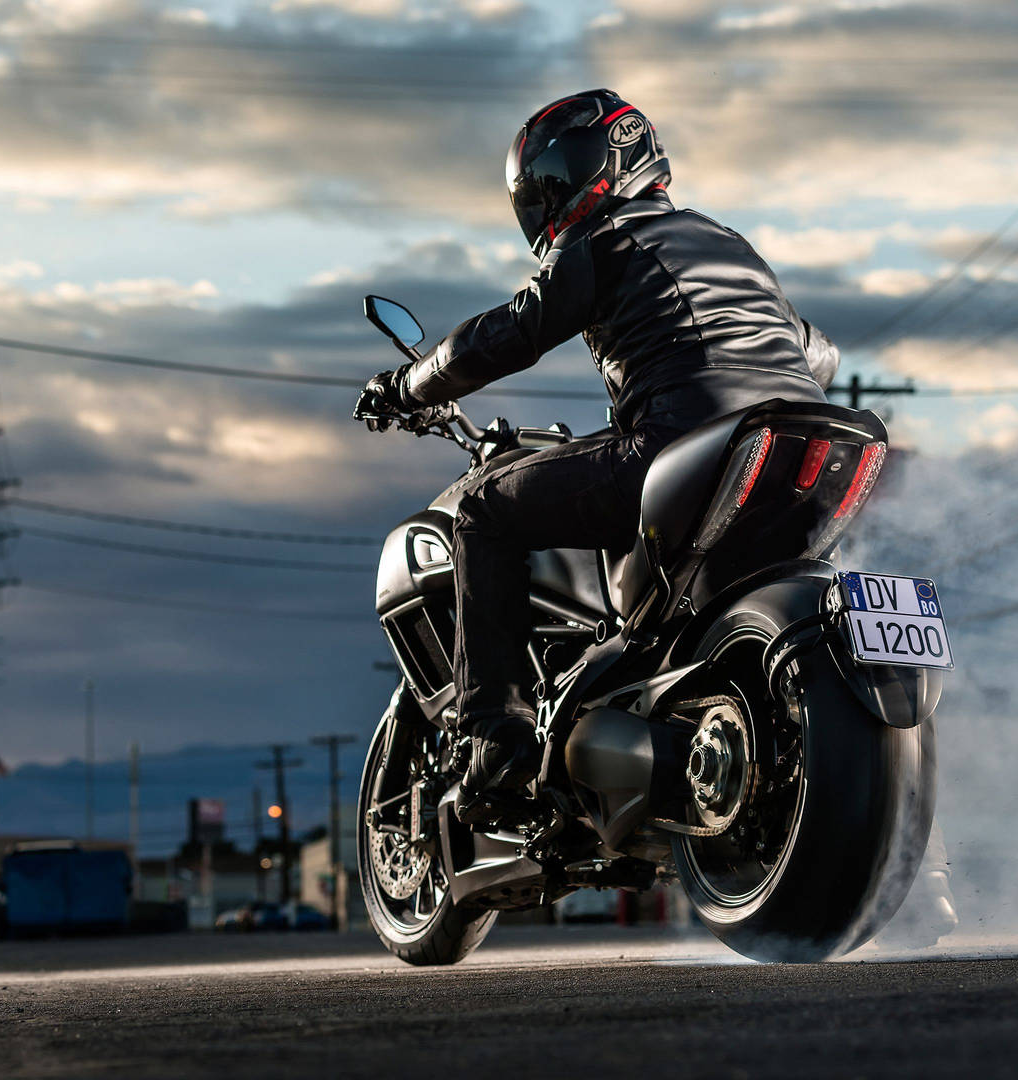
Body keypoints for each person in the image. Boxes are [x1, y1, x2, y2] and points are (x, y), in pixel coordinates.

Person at [357, 89, 841, 805]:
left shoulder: (609, 243)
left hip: (686, 440)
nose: (551, 198)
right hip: (804, 439)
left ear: (617, 162)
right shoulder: (732, 246)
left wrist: (409, 384)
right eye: (543, 184)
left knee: (485, 511)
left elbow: (510, 332)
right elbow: (817, 353)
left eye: (563, 173)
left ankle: (496, 740)